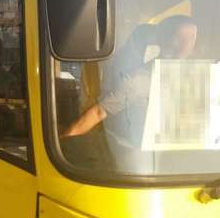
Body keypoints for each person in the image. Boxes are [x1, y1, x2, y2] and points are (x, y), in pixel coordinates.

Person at [62, 15, 198, 139]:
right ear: (164, 39)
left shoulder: (203, 77)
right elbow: (99, 112)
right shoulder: (139, 80)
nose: (186, 45)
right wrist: (65, 142)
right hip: (148, 160)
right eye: (180, 37)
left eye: (191, 38)